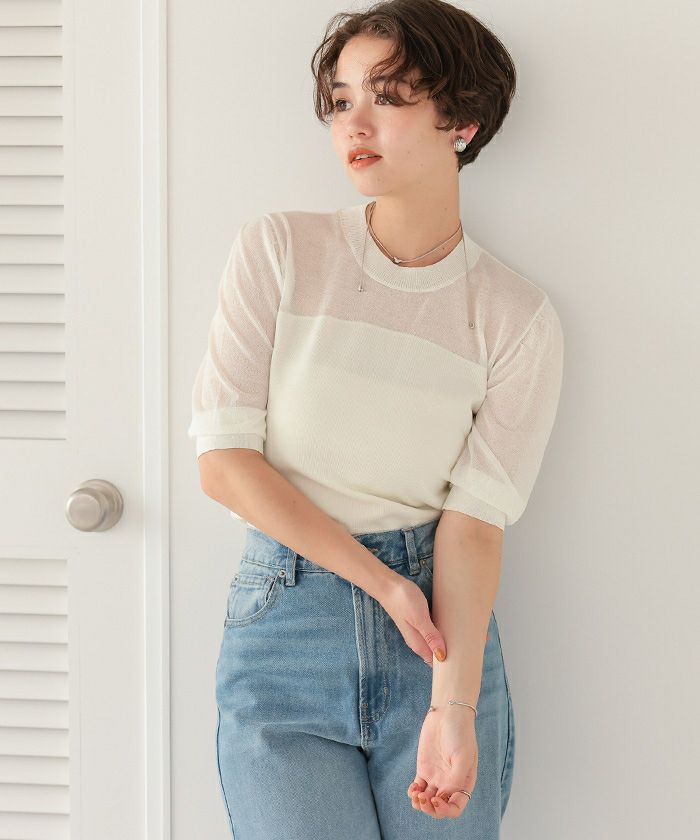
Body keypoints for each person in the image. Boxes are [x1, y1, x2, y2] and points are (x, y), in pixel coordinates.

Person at [188, 0, 564, 837]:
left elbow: (474, 526)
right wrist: (385, 583)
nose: (354, 124)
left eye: (388, 97)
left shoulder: (513, 317)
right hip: (287, 624)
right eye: (340, 99)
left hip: (441, 640)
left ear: (461, 120)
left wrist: (453, 707)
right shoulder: (281, 250)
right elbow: (223, 463)